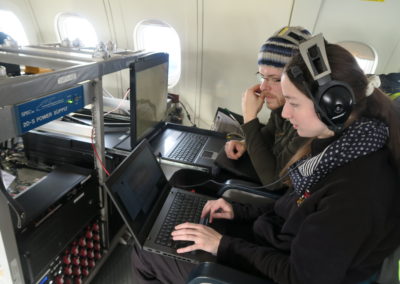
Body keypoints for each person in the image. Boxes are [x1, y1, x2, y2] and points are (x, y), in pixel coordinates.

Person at [132, 35, 400, 284]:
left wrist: (221, 245)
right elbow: (293, 210)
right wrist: (239, 211)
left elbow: (299, 276)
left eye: (293, 103)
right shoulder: (340, 147)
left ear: (333, 106)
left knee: (144, 253)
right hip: (275, 243)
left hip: (281, 270)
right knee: (179, 229)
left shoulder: (355, 193)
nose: (285, 114)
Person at [224, 26, 311, 187]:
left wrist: (249, 117)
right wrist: (244, 143)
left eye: (275, 79)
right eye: (262, 77)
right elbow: (269, 134)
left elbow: (272, 182)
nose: (264, 87)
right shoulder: (281, 106)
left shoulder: (309, 123)